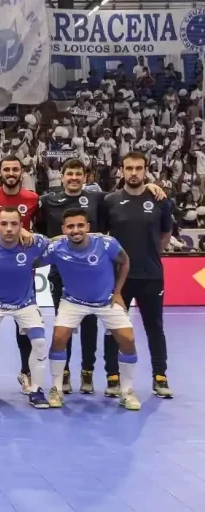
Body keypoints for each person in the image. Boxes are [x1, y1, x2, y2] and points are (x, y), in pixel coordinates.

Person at [37, 159, 167, 395]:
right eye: (69, 174)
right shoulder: (47, 200)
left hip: (97, 272)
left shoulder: (100, 199)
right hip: (61, 273)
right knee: (62, 329)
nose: (74, 178)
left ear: (85, 177)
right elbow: (38, 233)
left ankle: (89, 372)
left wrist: (150, 186)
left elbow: (130, 194)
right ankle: (63, 375)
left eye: (79, 174)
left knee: (93, 326)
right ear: (62, 176)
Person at [42, 209, 141, 410]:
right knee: (59, 337)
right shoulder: (56, 248)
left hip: (106, 301)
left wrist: (118, 292)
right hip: (73, 301)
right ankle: (56, 389)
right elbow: (32, 260)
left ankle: (127, 391)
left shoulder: (106, 244)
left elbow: (125, 261)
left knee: (128, 340)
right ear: (64, 229)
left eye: (80, 225)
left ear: (88, 227)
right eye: (70, 226)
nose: (75, 230)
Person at [100, 151, 173, 398]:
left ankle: (160, 377)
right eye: (129, 168)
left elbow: (164, 235)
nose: (134, 173)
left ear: (145, 170)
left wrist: (149, 256)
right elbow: (101, 238)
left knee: (155, 328)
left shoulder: (160, 200)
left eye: (138, 168)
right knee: (114, 329)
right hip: (118, 279)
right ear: (122, 170)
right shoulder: (109, 201)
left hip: (151, 276)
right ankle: (112, 377)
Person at [0, 207, 51, 408]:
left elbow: (52, 241)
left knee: (39, 342)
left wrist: (30, 233)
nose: (9, 228)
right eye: (4, 224)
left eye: (14, 224)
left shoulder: (33, 243)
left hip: (25, 303)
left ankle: (36, 389)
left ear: (22, 226)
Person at [0, 155, 39, 393]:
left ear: (22, 173)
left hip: (24, 269)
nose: (11, 173)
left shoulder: (33, 199)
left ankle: (25, 372)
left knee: (24, 327)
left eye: (15, 169)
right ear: (0, 173)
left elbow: (39, 230)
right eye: (7, 169)